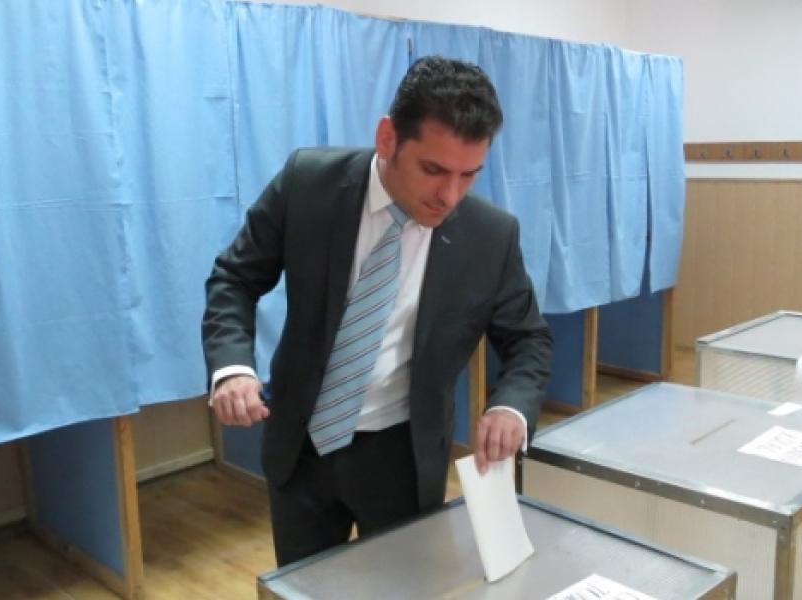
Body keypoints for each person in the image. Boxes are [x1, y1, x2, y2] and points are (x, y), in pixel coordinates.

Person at [202, 56, 553, 566]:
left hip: (403, 454)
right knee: (302, 587)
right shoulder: (308, 184)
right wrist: (233, 366)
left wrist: (511, 406)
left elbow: (528, 340)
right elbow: (235, 278)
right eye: (433, 170)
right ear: (388, 138)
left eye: (469, 175)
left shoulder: (490, 236)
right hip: (302, 446)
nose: (449, 196)